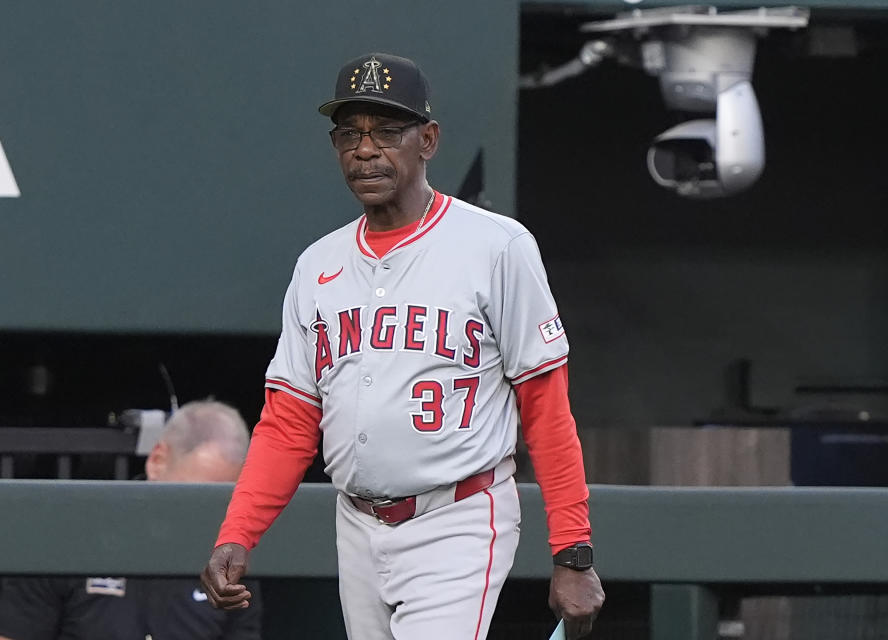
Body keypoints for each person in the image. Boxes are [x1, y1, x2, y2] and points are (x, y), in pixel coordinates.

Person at [201, 52, 604, 640]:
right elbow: (289, 421)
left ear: (428, 140)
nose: (365, 150)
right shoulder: (318, 266)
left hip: (458, 515)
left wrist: (573, 552)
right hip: (358, 525)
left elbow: (546, 408)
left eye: (387, 131)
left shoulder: (495, 246)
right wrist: (237, 533)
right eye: (349, 134)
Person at [0, 401, 263, 640]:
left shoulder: (230, 558)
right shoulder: (70, 536)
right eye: (197, 495)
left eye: (224, 500)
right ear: (157, 460)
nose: (207, 512)